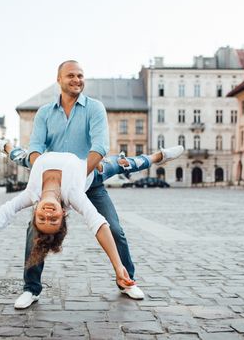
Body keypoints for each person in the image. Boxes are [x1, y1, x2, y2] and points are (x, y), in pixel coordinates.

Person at [11, 59, 177, 309]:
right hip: (54, 185)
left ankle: (126, 280)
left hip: (90, 178)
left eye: (80, 75)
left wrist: (79, 175)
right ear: (59, 80)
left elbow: (99, 146)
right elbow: (35, 148)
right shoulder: (45, 112)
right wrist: (43, 173)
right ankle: (31, 289)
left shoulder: (95, 108)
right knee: (34, 231)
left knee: (115, 229)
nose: (77, 80)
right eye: (71, 76)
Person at [0, 146, 183, 306]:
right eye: (54, 220)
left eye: (42, 219)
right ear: (63, 214)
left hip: (44, 161)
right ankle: (159, 156)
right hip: (92, 175)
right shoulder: (72, 194)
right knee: (125, 164)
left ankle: (2, 144)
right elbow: (99, 224)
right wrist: (118, 267)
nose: (48, 216)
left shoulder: (32, 193)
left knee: (21, 155)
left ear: (35, 211)